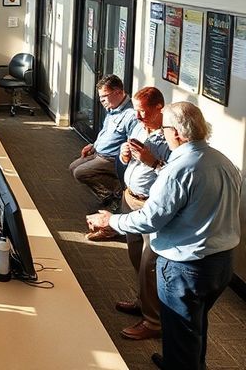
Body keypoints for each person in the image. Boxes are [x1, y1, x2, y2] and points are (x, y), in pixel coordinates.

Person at [87, 102, 241, 370]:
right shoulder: (222, 160)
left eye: (164, 128)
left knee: (180, 329)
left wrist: (111, 220)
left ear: (177, 133)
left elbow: (151, 219)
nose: (161, 132)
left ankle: (180, 363)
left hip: (186, 267)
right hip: (222, 263)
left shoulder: (179, 168)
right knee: (196, 324)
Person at [92, 87, 171, 341]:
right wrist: (125, 157)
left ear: (159, 108)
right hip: (130, 198)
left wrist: (150, 161)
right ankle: (143, 301)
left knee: (150, 264)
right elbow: (129, 160)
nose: (137, 116)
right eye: (135, 110)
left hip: (151, 206)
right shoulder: (139, 126)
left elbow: (174, 176)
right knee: (137, 257)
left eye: (143, 111)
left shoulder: (172, 136)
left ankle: (153, 321)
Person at [69, 74, 138, 209]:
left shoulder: (130, 115)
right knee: (73, 167)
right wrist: (94, 145)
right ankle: (110, 195)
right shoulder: (112, 107)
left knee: (80, 172)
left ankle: (116, 192)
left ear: (118, 92)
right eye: (100, 96)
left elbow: (132, 143)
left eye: (104, 96)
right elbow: (105, 131)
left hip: (112, 159)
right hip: (99, 152)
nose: (101, 100)